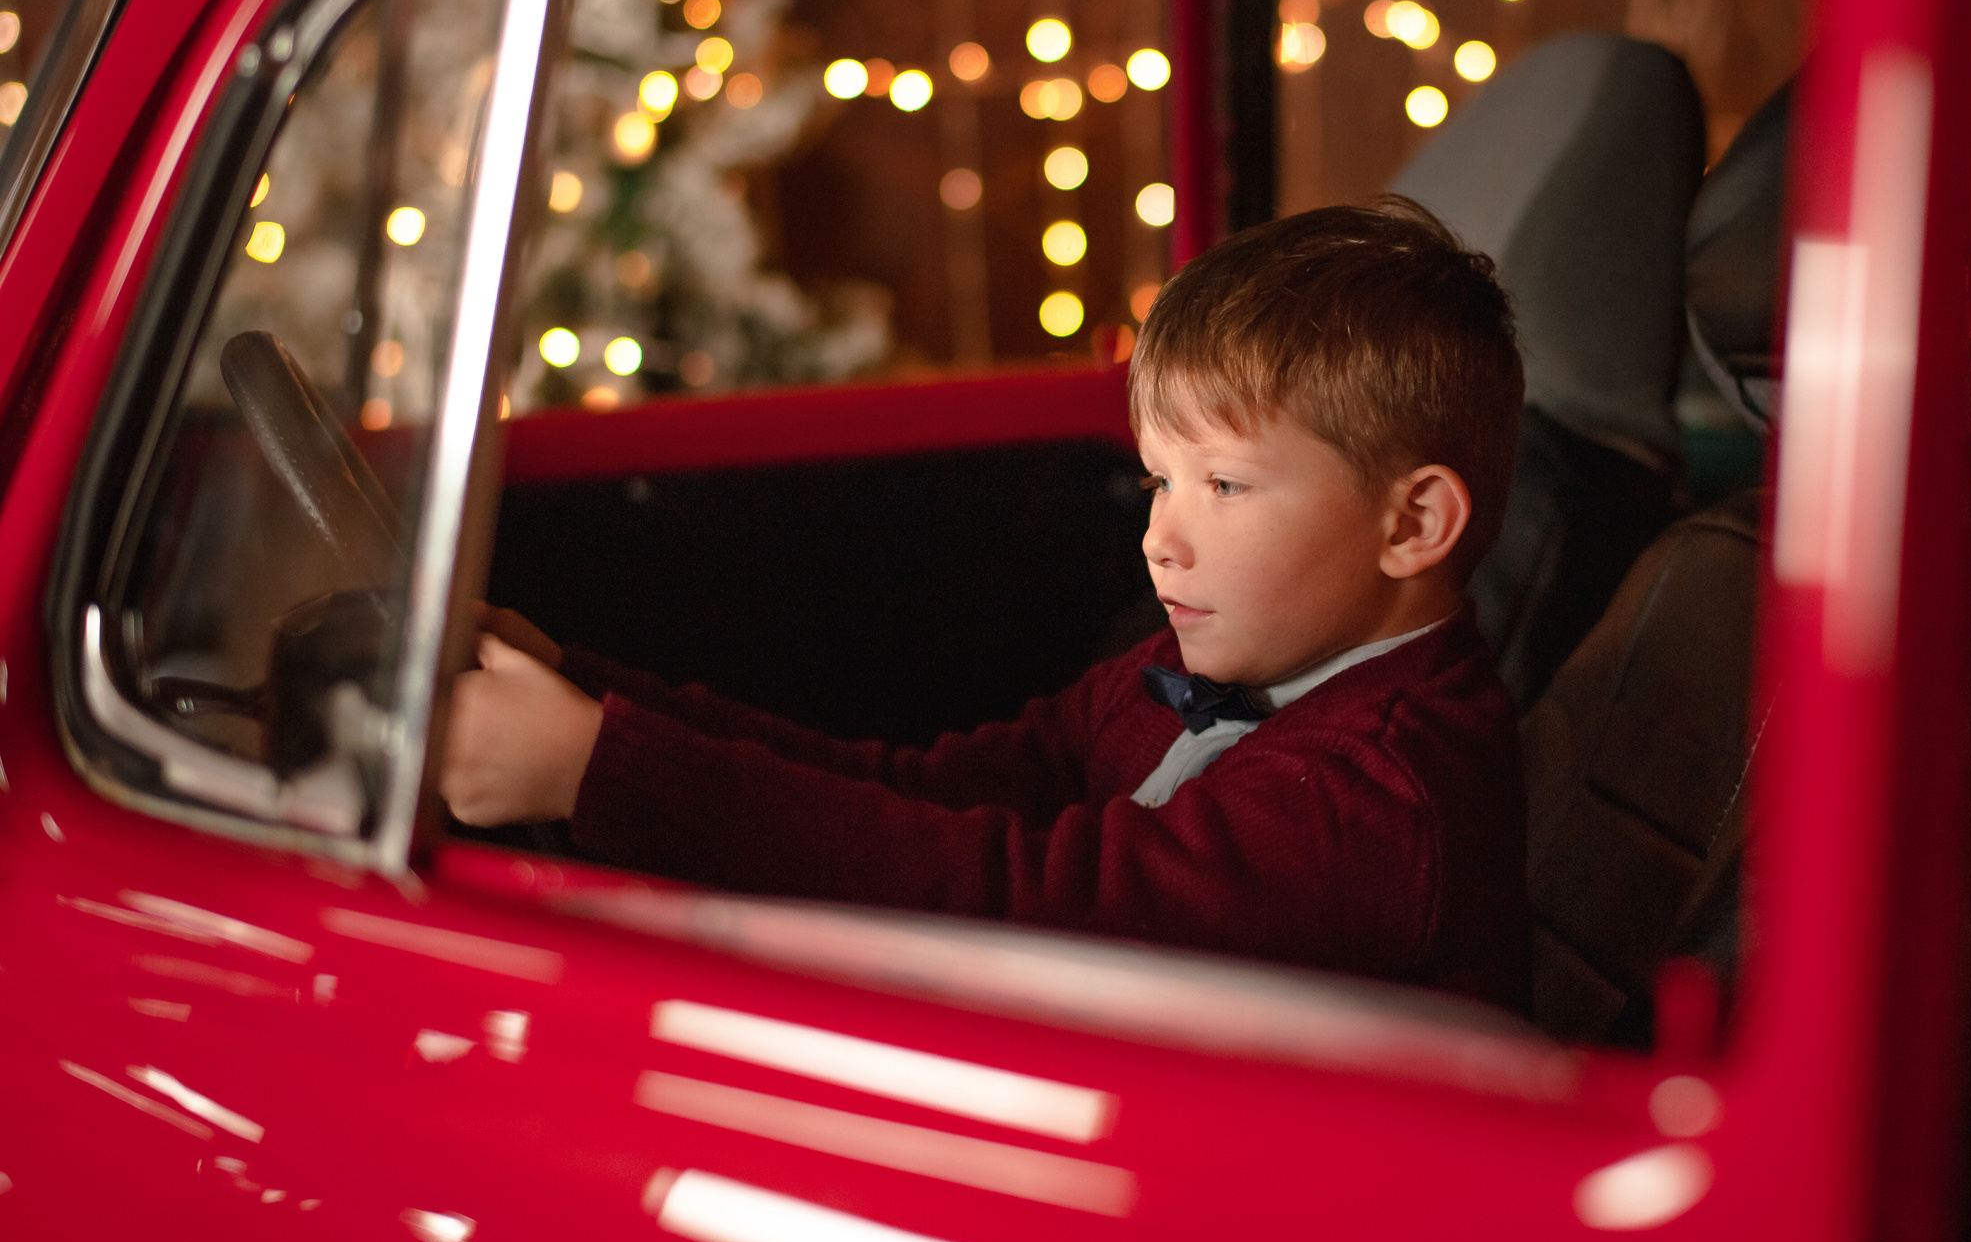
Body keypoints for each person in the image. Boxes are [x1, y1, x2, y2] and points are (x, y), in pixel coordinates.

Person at [443, 198, 1531, 1009]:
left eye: (1226, 486)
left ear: (1409, 526)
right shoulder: (1211, 673)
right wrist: (591, 700)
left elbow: (1022, 901)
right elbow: (931, 792)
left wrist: (605, 770)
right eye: (1160, 481)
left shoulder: (1375, 804)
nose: (1160, 535)